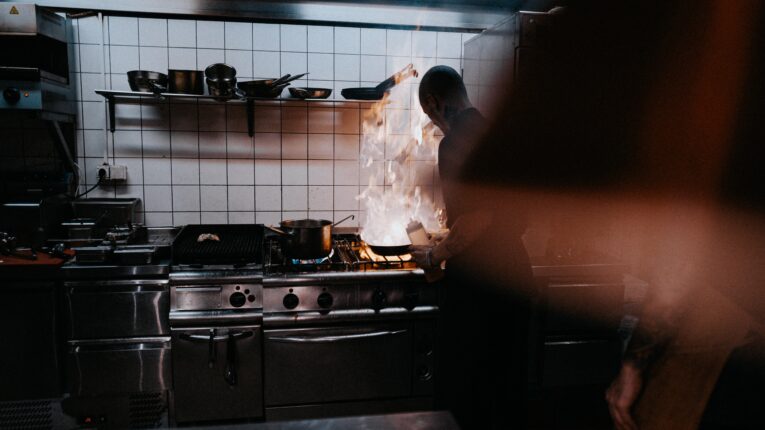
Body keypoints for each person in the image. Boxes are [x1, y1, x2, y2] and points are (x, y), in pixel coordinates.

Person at [410, 65, 533, 430]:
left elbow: (476, 219)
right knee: (506, 391)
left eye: (430, 115)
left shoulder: (454, 143)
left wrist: (434, 254)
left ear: (434, 101)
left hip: (479, 286)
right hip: (516, 275)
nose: (434, 124)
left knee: (464, 395)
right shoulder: (501, 136)